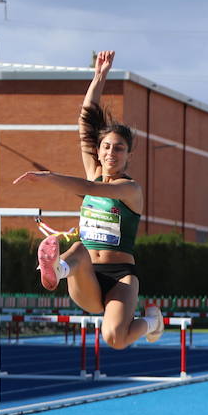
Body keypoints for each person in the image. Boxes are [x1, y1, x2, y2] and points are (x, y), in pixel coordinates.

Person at [14, 50, 163, 349]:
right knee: (80, 248)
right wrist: (99, 78)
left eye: (119, 148)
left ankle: (152, 322)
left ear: (129, 155)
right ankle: (56, 268)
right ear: (100, 150)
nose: (110, 153)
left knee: (115, 339)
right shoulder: (95, 170)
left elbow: (89, 188)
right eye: (106, 147)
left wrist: (48, 176)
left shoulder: (129, 189)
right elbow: (85, 124)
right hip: (86, 276)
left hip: (121, 276)